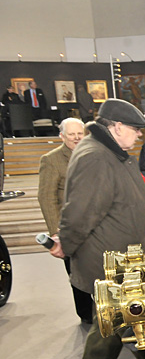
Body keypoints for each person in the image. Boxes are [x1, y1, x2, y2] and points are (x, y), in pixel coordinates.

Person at [49, 99, 145, 359]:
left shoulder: (108, 151)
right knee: (110, 327)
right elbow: (80, 211)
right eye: (136, 130)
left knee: (122, 324)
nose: (138, 136)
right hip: (109, 260)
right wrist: (65, 243)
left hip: (122, 258)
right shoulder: (96, 155)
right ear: (118, 126)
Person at [37, 117, 93, 324]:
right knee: (76, 273)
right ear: (62, 136)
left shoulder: (92, 155)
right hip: (68, 228)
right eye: (72, 134)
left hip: (94, 227)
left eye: (80, 133)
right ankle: (86, 314)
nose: (77, 138)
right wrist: (56, 232)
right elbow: (46, 197)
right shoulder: (51, 160)